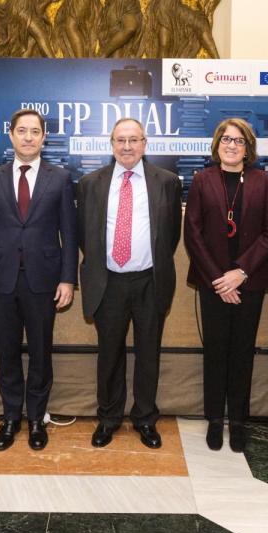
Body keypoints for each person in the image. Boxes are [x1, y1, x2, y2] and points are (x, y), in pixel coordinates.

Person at [0, 109, 78, 451]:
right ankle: (9, 418)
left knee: (39, 352)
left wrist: (67, 279)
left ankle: (36, 418)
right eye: (22, 131)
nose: (28, 137)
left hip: (43, 281)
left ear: (44, 137)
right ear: (11, 135)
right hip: (0, 280)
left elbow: (68, 232)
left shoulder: (61, 178)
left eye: (35, 131)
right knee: (5, 353)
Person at [77, 118, 182, 449]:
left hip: (149, 280)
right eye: (120, 140)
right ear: (111, 144)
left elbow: (171, 235)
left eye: (133, 140)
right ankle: (108, 418)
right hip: (108, 281)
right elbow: (85, 235)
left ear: (145, 143)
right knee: (109, 353)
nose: (126, 146)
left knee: (148, 352)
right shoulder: (90, 182)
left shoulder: (166, 181)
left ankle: (145, 419)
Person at [184, 118, 268, 452]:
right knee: (215, 352)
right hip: (213, 284)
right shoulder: (201, 180)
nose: (231, 145)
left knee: (242, 352)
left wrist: (240, 272)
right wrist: (219, 279)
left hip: (249, 283)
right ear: (217, 144)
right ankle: (214, 419)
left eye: (239, 141)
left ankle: (238, 420)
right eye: (226, 139)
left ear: (248, 147)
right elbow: (192, 235)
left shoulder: (263, 181)